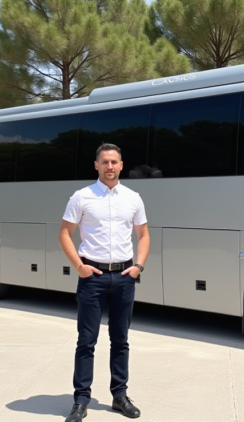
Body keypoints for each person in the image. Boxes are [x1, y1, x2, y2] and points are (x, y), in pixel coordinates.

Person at [58, 143, 150, 421]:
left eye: (114, 162)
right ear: (96, 165)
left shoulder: (133, 198)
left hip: (124, 277)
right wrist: (80, 267)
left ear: (121, 165)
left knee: (120, 340)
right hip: (93, 278)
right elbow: (64, 233)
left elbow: (143, 235)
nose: (110, 166)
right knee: (86, 341)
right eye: (105, 162)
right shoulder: (81, 197)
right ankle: (81, 400)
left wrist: (138, 267)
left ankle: (119, 396)